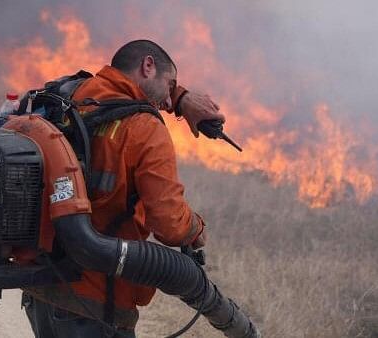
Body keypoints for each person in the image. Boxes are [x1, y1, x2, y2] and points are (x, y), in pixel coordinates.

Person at [21, 39, 225, 337]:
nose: (168, 102)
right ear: (148, 65)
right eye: (171, 85)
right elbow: (169, 225)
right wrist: (195, 227)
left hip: (42, 289)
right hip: (95, 304)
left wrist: (180, 98)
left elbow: (134, 93)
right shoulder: (145, 128)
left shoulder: (73, 96)